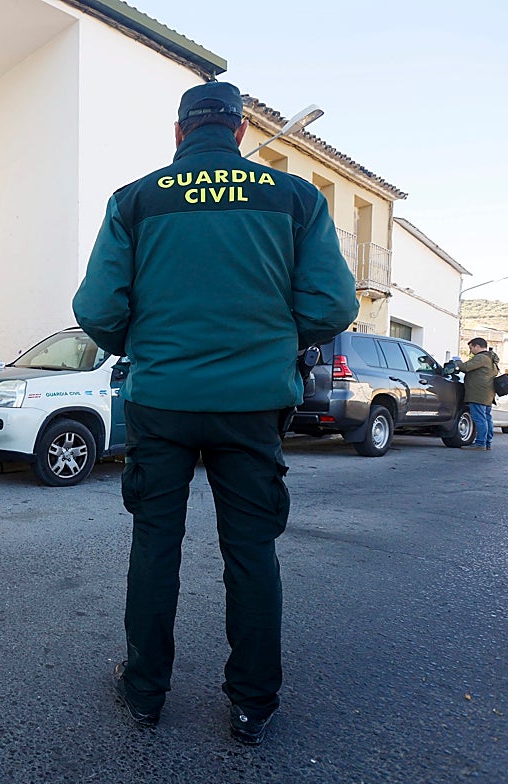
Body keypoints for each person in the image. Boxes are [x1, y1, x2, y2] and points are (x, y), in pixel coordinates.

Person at [72, 80, 358, 745]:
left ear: (178, 134)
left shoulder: (135, 200)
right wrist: (275, 343)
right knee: (252, 550)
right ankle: (252, 704)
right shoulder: (295, 198)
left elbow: (97, 309)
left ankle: (144, 692)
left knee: (155, 545)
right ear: (238, 132)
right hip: (253, 404)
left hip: (163, 401)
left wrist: (141, 346)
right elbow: (333, 307)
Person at [453, 337, 500, 451]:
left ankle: (480, 443)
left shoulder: (481, 358)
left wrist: (457, 360)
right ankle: (487, 442)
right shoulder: (491, 358)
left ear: (477, 346)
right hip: (487, 393)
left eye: (471, 348)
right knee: (487, 418)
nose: (470, 351)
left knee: (479, 419)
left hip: (478, 394)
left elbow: (465, 367)